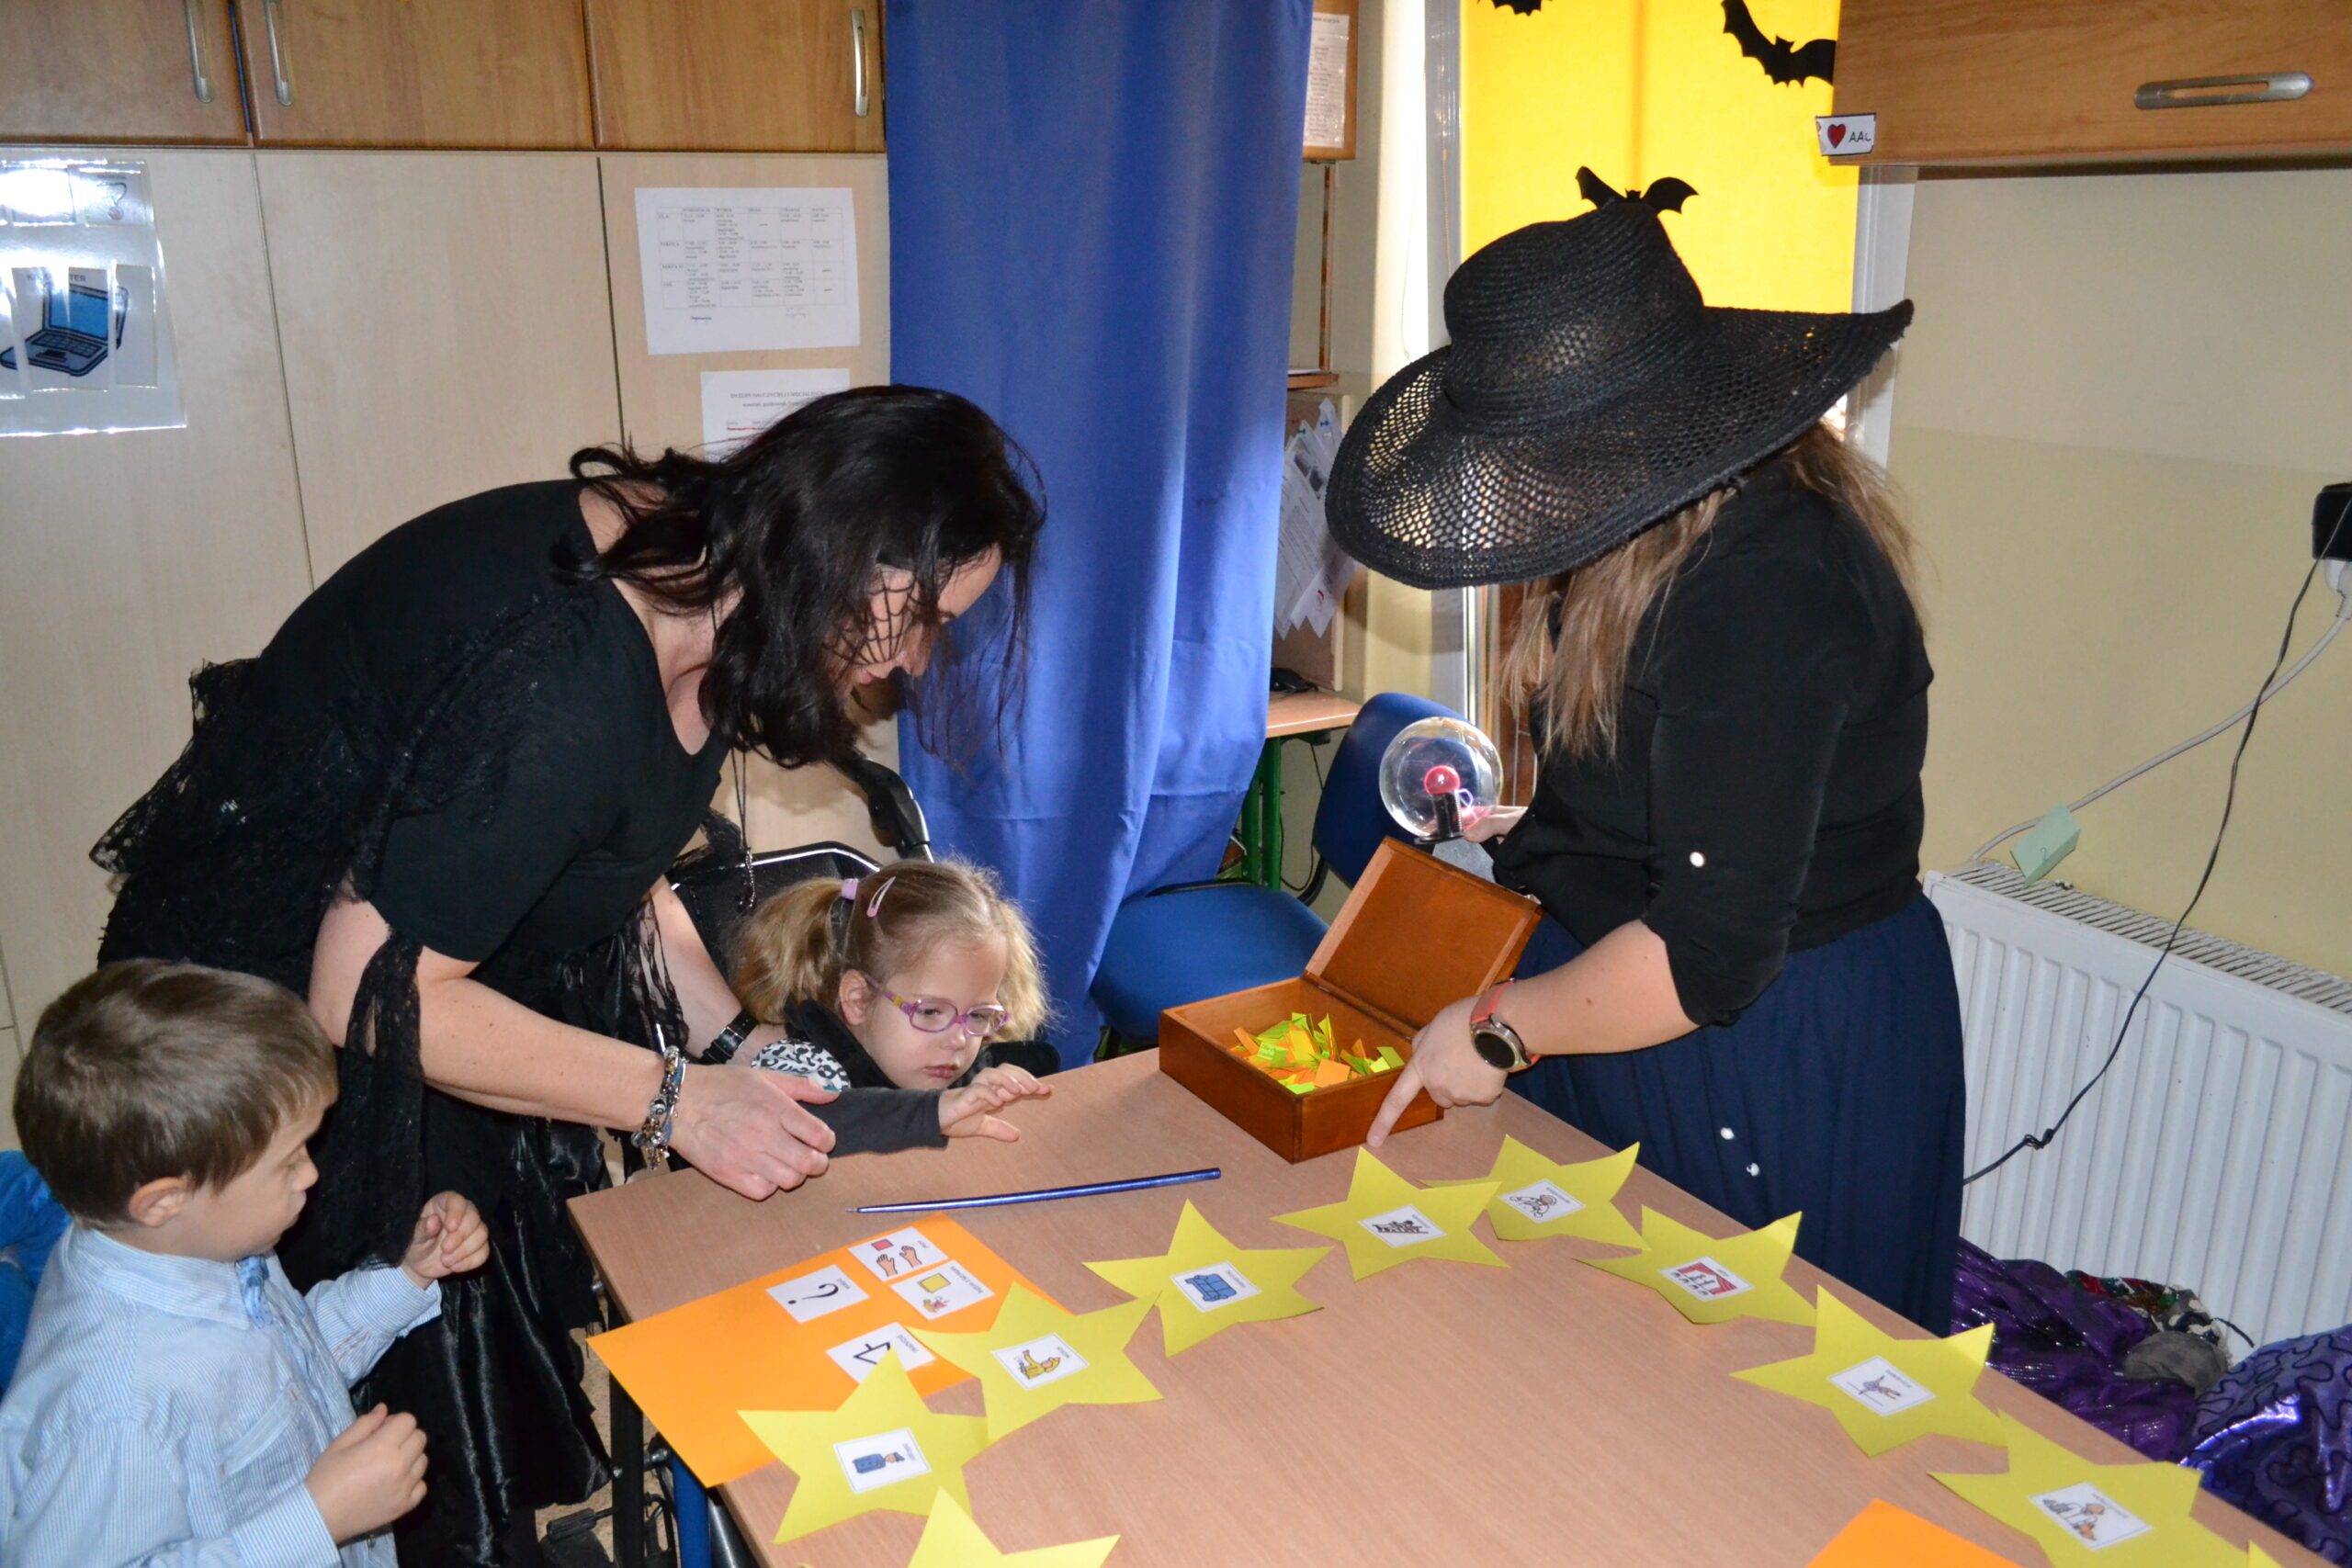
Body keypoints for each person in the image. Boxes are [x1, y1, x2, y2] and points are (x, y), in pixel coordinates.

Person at [87, 386, 1044, 1563]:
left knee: (454, 1339)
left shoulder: (713, 574)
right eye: (919, 615)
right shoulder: (564, 674)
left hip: (430, 979)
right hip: (263, 1046)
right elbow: (369, 990)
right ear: (840, 546)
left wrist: (739, 1047)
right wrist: (675, 1097)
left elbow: (611, 859)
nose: (913, 659)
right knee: (344, 1423)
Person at [1334, 174, 1965, 1333]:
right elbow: (1670, 785)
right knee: (1594, 1349)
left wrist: (1498, 1029)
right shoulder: (1654, 536)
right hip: (1620, 993)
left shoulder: (1766, 588)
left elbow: (1706, 955)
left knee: (1754, 1376)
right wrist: (1547, 841)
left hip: (1762, 1029)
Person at [0, 960, 488, 1567]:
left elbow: (283, 1369)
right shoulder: (115, 1406)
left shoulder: (198, 1243)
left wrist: (405, 1274)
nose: (310, 1174)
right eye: (288, 1161)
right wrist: (317, 1519)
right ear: (164, 1200)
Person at [726, 861, 1050, 1114]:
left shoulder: (962, 1071)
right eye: (930, 1011)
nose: (959, 1040)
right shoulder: (801, 1074)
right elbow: (832, 1139)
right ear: (859, 999)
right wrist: (934, 1116)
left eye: (979, 1016)